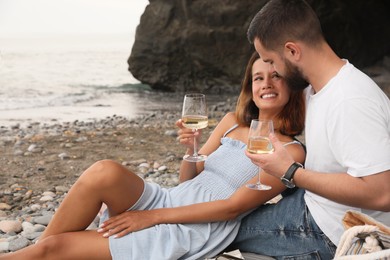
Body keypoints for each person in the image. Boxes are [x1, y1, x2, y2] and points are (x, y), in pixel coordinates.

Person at [0, 52, 305, 260]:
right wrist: (191, 151)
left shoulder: (290, 151)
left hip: (193, 226)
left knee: (54, 246)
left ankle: (41, 254)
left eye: (276, 76)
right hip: (170, 200)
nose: (266, 83)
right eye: (258, 78)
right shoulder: (231, 123)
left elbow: (229, 209)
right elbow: (188, 179)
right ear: (250, 88)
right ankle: (41, 255)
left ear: (290, 85)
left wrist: (148, 218)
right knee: (103, 171)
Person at [228, 0, 390, 259]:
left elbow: (382, 193)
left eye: (271, 61)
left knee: (225, 229)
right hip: (313, 201)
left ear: (292, 51)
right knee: (228, 216)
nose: (274, 71)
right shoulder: (315, 88)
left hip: (332, 230)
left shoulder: (350, 100)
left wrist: (291, 171)